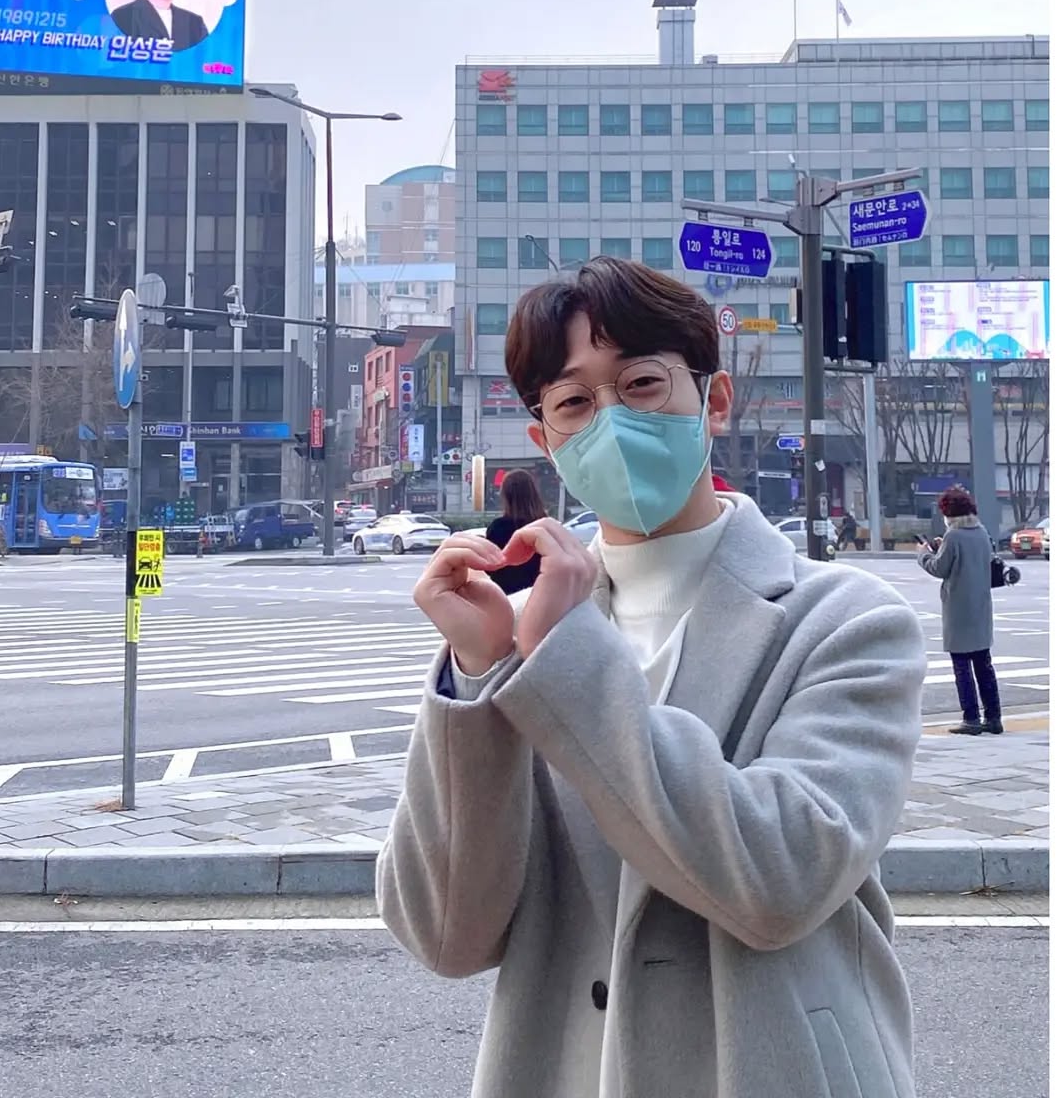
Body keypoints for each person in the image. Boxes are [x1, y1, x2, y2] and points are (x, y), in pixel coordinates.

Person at [377, 256, 926, 1098]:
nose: (613, 422)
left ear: (713, 399)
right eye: (574, 403)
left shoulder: (848, 620)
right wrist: (478, 676)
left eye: (640, 384)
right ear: (546, 440)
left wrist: (564, 662)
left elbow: (781, 879)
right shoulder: (524, 634)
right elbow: (447, 936)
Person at [917, 485, 1002, 736]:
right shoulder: (981, 532)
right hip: (981, 607)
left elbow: (939, 568)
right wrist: (943, 546)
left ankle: (971, 718)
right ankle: (994, 718)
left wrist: (923, 555)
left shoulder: (953, 536)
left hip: (958, 609)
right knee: (984, 664)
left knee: (962, 665)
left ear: (948, 514)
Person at [484, 470, 547, 595]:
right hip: (540, 595)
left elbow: (490, 567)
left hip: (506, 597)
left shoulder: (498, 528)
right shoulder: (545, 526)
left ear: (505, 496)